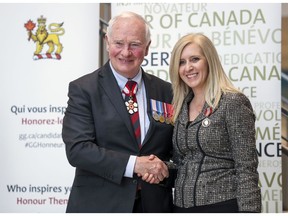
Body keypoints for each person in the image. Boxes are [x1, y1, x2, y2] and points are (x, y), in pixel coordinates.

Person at [62, 11, 174, 213]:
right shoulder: (84, 89)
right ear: (107, 42)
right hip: (100, 205)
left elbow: (178, 151)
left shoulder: (166, 91)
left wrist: (164, 168)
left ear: (147, 48)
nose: (126, 52)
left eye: (135, 45)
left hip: (154, 205)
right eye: (119, 43)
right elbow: (78, 150)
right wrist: (134, 165)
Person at [168, 33, 261, 213]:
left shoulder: (232, 102)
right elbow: (183, 162)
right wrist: (158, 167)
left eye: (194, 59)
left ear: (209, 60)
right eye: (181, 62)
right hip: (180, 207)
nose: (188, 67)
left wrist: (250, 212)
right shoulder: (181, 107)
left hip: (222, 205)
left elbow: (246, 167)